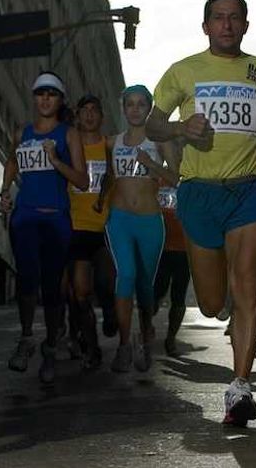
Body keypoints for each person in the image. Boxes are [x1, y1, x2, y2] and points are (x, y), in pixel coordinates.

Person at [147, 0, 256, 427]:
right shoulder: (184, 71)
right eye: (219, 17)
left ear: (246, 25)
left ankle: (240, 386)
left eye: (235, 17)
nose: (227, 24)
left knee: (247, 287)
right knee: (215, 301)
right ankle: (226, 318)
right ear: (206, 26)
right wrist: (180, 127)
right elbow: (153, 122)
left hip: (249, 190)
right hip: (198, 194)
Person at [0, 71, 89, 385]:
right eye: (40, 93)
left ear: (60, 99)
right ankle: (26, 338)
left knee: (52, 288)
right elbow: (12, 161)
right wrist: (5, 191)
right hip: (24, 217)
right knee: (26, 282)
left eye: (52, 94)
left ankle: (50, 345)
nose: (45, 99)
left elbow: (83, 180)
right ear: (34, 98)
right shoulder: (21, 132)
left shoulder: (69, 134)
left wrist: (56, 161)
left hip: (55, 219)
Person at [98, 85, 178, 372]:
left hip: (149, 220)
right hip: (119, 218)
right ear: (123, 108)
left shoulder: (159, 141)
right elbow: (106, 175)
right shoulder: (113, 142)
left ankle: (145, 336)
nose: (134, 109)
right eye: (129, 104)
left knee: (145, 285)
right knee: (126, 274)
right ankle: (123, 345)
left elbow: (176, 177)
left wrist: (151, 165)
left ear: (149, 108)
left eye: (140, 104)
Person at [67, 94, 116, 369]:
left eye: (94, 110)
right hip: (76, 227)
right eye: (83, 110)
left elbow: (116, 177)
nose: (88, 115)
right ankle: (92, 347)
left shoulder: (108, 145)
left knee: (106, 283)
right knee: (80, 293)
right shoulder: (69, 146)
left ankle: (110, 312)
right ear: (77, 115)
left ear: (101, 116)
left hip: (105, 228)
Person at [153, 140, 190, 357]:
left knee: (179, 297)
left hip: (184, 248)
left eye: (180, 149)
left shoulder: (191, 178)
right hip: (159, 247)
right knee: (156, 294)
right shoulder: (156, 176)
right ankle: (147, 328)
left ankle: (170, 339)